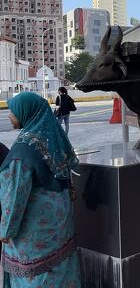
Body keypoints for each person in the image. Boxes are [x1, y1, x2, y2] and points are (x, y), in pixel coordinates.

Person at [0, 92, 81, 287]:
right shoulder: (50, 138)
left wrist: (5, 230)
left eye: (13, 112)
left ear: (26, 113)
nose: (9, 116)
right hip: (60, 227)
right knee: (61, 274)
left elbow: (16, 196)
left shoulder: (23, 150)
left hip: (34, 234)